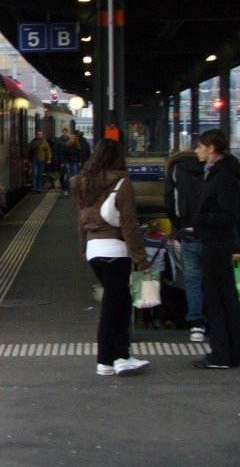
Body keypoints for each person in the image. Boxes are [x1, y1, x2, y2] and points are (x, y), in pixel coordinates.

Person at [71, 138, 151, 376]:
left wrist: (84, 248)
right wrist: (142, 260)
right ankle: (108, 360)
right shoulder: (122, 184)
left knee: (120, 302)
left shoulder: (82, 183)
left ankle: (121, 355)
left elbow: (81, 221)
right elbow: (129, 225)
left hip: (95, 251)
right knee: (114, 306)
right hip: (116, 251)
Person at [191, 129, 240, 369]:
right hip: (220, 243)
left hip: (218, 245)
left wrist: (200, 219)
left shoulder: (221, 176)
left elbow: (228, 214)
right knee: (226, 298)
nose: (196, 150)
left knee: (218, 299)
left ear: (211, 148)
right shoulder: (220, 172)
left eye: (200, 146)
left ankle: (221, 354)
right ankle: (230, 351)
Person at [163, 149, 206, 342]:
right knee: (215, 279)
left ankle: (197, 325)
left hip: (188, 232)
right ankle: (217, 320)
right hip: (213, 234)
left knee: (192, 280)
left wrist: (178, 227)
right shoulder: (212, 168)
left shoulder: (176, 169)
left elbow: (170, 201)